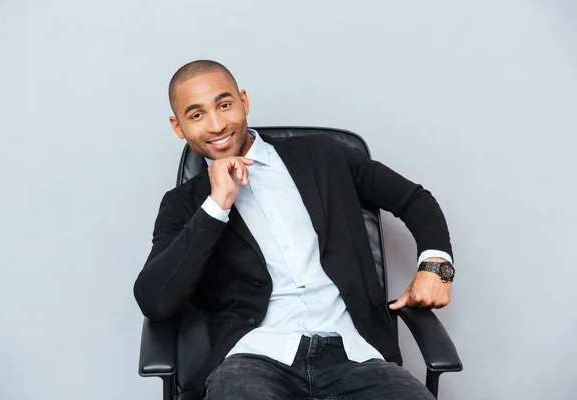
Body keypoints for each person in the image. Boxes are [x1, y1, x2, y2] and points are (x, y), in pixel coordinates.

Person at [134, 60, 456, 400]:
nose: (216, 125)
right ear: (178, 126)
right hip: (253, 361)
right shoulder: (184, 203)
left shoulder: (322, 155)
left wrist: (436, 266)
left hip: (357, 356)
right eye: (197, 115)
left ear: (243, 101)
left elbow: (413, 199)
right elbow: (156, 300)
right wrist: (216, 206)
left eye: (224, 105)